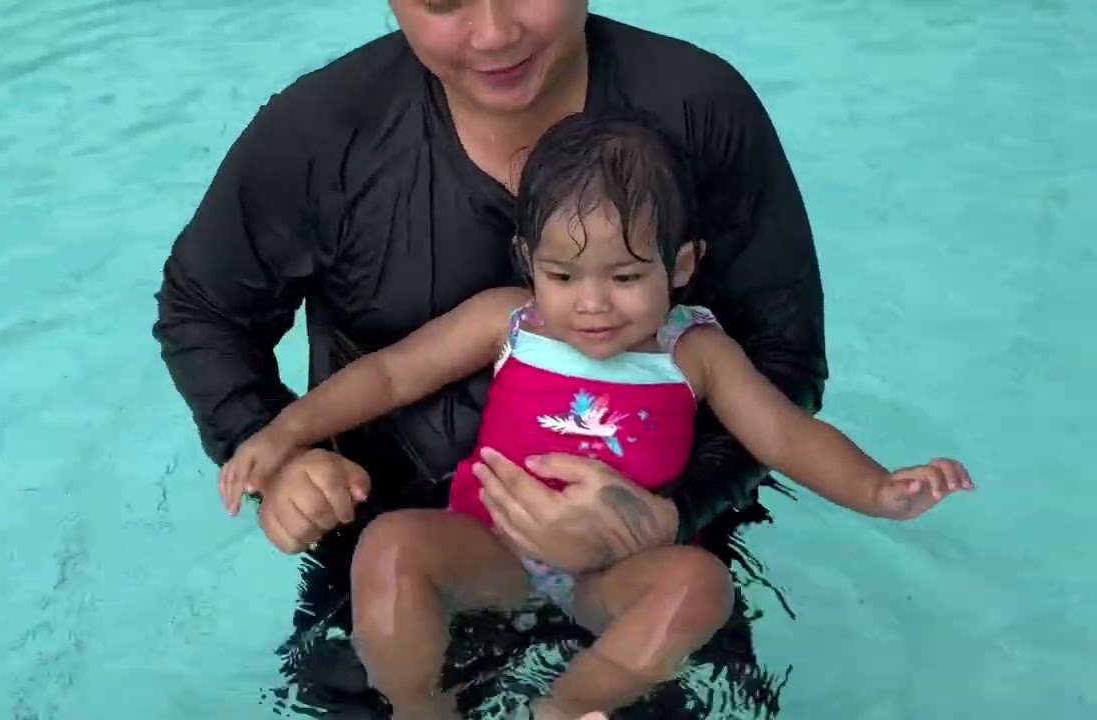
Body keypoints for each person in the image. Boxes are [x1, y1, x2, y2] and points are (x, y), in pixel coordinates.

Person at [154, 2, 828, 717]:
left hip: (649, 568)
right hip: (404, 556)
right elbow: (204, 310)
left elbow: (783, 359)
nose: (495, 34)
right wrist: (280, 454)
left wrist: (669, 512)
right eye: (445, 0)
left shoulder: (698, 109)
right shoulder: (323, 132)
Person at [218, 112, 973, 720]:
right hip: (488, 547)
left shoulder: (695, 351)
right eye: (562, 274)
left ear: (680, 266)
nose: (592, 303)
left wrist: (878, 489)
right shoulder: (507, 324)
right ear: (526, 260)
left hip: (611, 574)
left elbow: (783, 432)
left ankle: (567, 707)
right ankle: (420, 708)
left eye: (626, 275)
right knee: (386, 547)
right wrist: (285, 432)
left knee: (700, 587)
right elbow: (387, 374)